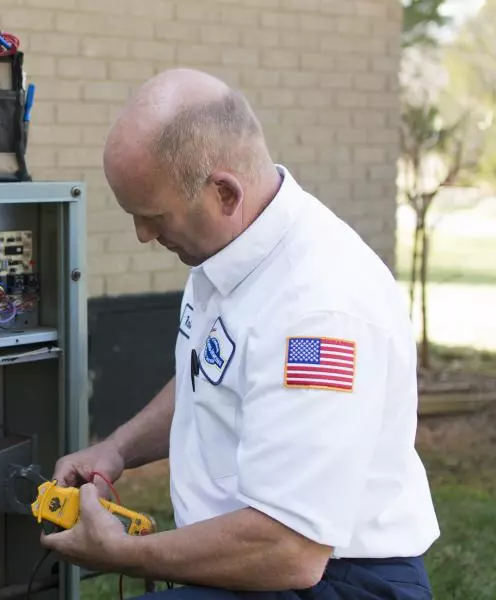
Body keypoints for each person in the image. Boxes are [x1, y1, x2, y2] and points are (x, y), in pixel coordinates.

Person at [40, 68, 440, 599]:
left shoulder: (318, 312)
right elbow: (207, 375)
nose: (142, 235)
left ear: (224, 192)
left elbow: (290, 549)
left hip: (332, 578)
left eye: (154, 216)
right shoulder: (232, 249)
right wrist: (115, 450)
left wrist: (124, 556)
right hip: (261, 560)